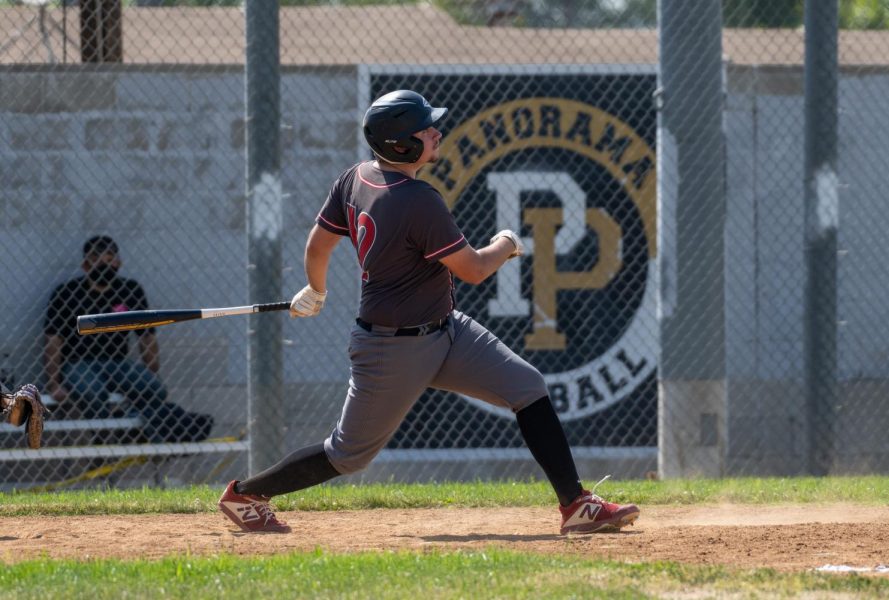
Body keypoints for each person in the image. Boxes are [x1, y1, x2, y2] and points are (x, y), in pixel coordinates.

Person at [217, 90, 640, 535]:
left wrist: (315, 289)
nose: (437, 131)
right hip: (392, 348)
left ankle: (576, 505)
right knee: (347, 455)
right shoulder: (417, 199)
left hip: (446, 329)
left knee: (527, 387)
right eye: (426, 128)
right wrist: (508, 244)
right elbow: (475, 269)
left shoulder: (356, 177)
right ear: (403, 146)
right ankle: (246, 494)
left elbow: (317, 245)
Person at [43, 235, 212, 444]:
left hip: (118, 362)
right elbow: (53, 339)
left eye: (110, 257)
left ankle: (133, 429)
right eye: (97, 258)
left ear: (119, 262)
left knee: (154, 389)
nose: (105, 263)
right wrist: (54, 383)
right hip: (79, 363)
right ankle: (105, 440)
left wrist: (151, 370)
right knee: (93, 393)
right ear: (86, 264)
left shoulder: (129, 290)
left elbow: (147, 335)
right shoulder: (67, 293)